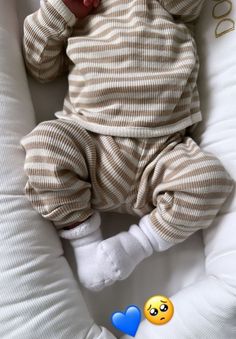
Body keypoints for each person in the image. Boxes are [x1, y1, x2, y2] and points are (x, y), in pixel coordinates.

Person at [20, 0, 234, 291]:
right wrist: (62, 10)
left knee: (208, 180)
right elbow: (40, 67)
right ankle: (85, 243)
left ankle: (137, 244)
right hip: (90, 141)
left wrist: (139, 242)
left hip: (163, 152)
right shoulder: (76, 8)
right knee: (46, 145)